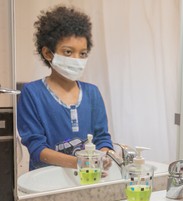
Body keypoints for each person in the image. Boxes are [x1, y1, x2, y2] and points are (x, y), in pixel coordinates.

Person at [17, 6, 113, 171]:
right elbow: (37, 149)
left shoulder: (92, 93)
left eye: (82, 54)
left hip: (87, 179)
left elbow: (102, 138)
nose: (77, 59)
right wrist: (79, 163)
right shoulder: (32, 93)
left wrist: (106, 155)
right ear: (48, 53)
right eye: (68, 52)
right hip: (47, 182)